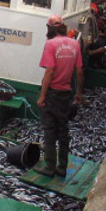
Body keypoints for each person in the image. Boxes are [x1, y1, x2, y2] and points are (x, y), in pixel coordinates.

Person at [35, 15, 84, 178]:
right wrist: (78, 93)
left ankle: (49, 167)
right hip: (66, 94)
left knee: (50, 131)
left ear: (49, 29)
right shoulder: (75, 44)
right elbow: (79, 71)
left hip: (52, 93)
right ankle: (62, 167)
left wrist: (42, 96)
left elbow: (49, 71)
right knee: (63, 131)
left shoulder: (50, 44)